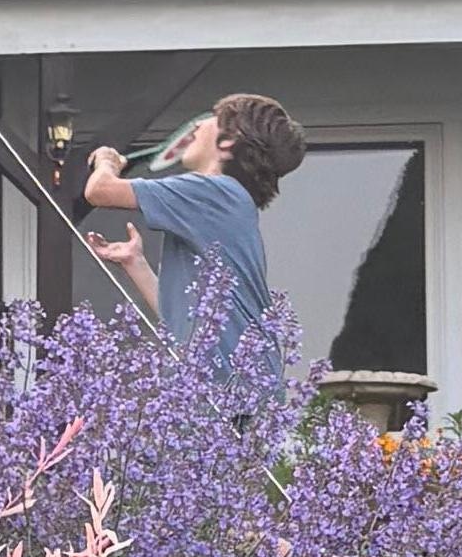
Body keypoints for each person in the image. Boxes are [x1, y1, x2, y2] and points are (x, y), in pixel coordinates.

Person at [80, 93, 305, 364]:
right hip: (231, 391)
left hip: (233, 394)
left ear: (229, 140)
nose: (197, 126)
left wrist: (107, 162)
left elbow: (99, 191)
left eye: (212, 118)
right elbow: (179, 324)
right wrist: (135, 263)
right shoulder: (222, 202)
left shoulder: (214, 193)